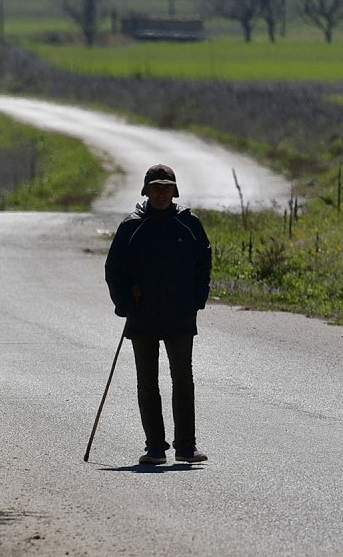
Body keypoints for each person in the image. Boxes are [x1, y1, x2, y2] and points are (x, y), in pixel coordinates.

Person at [104, 164, 212, 465]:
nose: (161, 193)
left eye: (166, 187)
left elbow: (204, 260)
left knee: (183, 380)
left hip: (180, 314)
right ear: (145, 191)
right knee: (147, 382)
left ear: (175, 191)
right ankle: (155, 448)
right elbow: (114, 269)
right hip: (142, 316)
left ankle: (186, 447)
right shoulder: (132, 226)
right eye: (156, 187)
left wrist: (197, 298)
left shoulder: (189, 224)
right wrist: (124, 303)